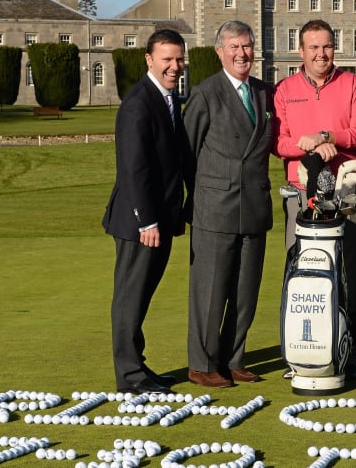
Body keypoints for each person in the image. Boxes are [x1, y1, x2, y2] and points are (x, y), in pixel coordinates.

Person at [273, 19, 356, 377]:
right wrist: (311, 143)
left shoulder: (352, 84)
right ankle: (302, 350)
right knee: (300, 271)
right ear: (300, 51)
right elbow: (280, 142)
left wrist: (333, 136)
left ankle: (351, 349)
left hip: (347, 191)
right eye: (314, 47)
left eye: (327, 46)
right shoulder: (286, 89)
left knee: (350, 272)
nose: (321, 53)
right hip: (301, 192)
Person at [183, 21, 275, 388]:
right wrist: (199, 200)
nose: (242, 54)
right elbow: (185, 155)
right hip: (214, 209)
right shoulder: (205, 94)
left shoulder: (266, 94)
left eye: (248, 46)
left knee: (245, 292)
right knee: (210, 292)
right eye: (234, 47)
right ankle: (202, 364)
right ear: (219, 51)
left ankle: (233, 358)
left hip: (254, 207)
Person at [102, 29, 189, 395]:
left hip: (161, 219)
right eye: (166, 59)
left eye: (179, 59)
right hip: (141, 223)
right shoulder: (139, 102)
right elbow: (133, 167)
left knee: (141, 296)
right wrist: (147, 220)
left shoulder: (168, 99)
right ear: (149, 60)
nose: (174, 66)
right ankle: (129, 376)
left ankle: (137, 366)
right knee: (130, 298)